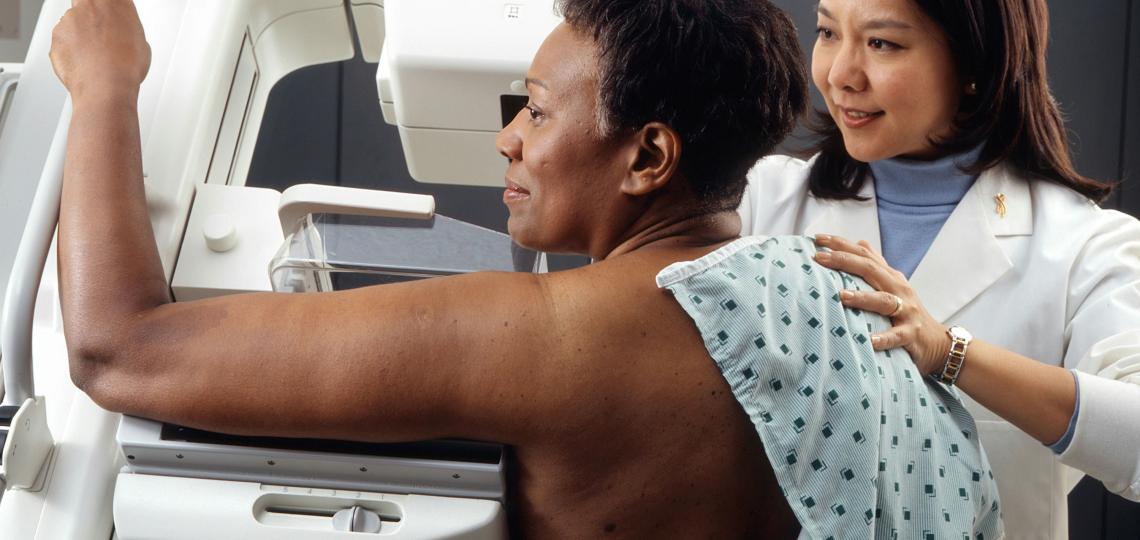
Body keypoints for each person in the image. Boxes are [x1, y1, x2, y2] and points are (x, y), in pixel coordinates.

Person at [50, 0, 1002, 537]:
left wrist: (105, 86)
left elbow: (118, 350)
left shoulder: (553, 336)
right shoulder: (841, 300)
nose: (507, 138)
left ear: (648, 158)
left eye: (538, 111)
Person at [738, 0, 1140, 537]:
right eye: (828, 32)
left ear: (975, 65)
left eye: (882, 43)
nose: (839, 75)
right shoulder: (758, 201)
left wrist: (951, 353)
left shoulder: (1084, 246)